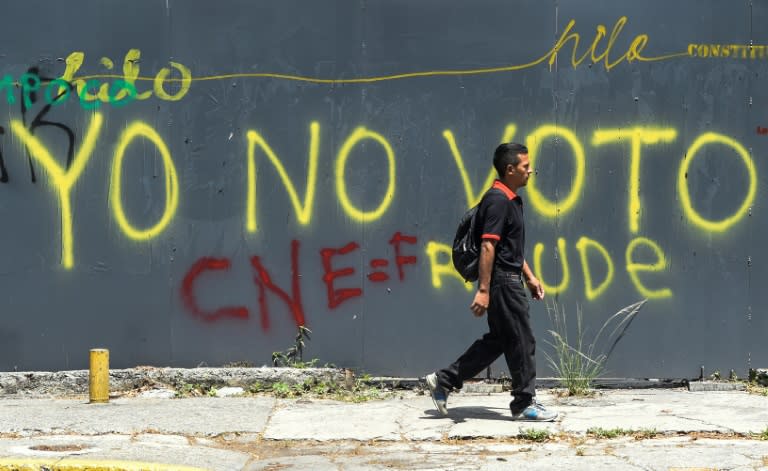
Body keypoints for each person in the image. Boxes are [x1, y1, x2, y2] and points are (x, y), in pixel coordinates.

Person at [425, 142, 557, 421]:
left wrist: (530, 277)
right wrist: (483, 290)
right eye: (525, 166)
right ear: (510, 169)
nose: (531, 170)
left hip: (508, 279)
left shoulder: (508, 199)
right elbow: (488, 247)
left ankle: (444, 380)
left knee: (499, 341)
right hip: (503, 284)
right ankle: (524, 403)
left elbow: (509, 249)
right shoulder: (497, 200)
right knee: (522, 340)